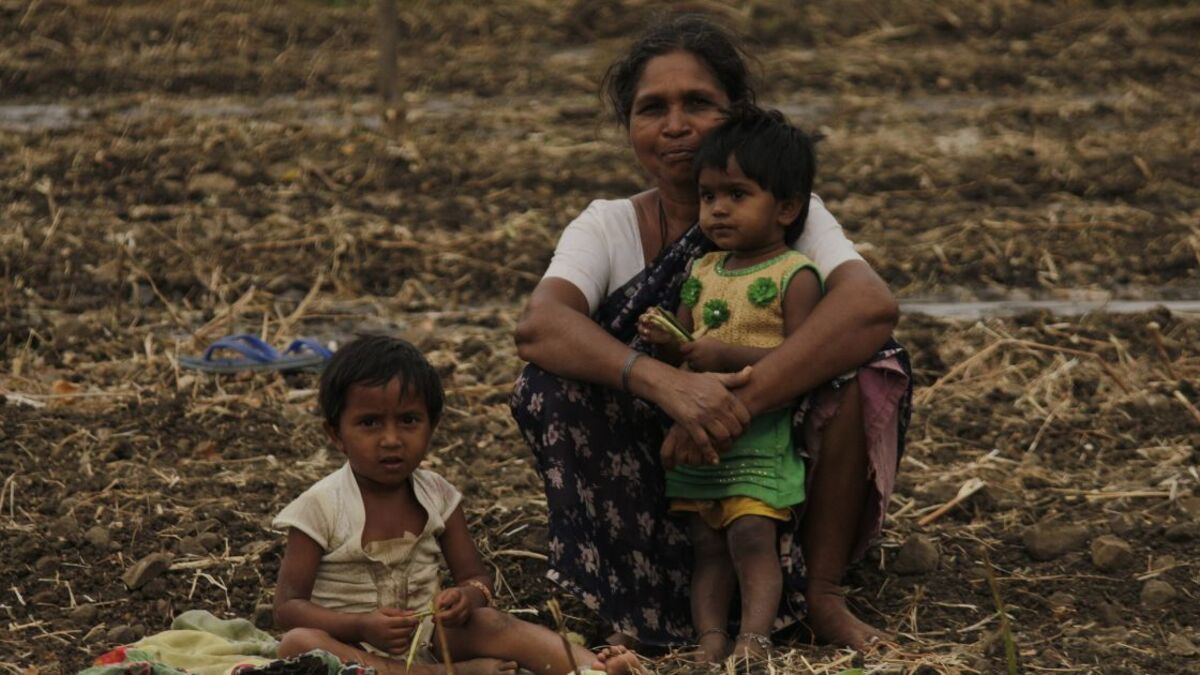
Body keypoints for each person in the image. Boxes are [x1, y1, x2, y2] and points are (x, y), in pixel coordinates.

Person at [511, 14, 912, 652]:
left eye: (697, 103)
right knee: (547, 386)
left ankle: (822, 593)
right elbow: (540, 326)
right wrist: (665, 384)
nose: (675, 125)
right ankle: (633, 597)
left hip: (763, 453)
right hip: (655, 469)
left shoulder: (783, 209)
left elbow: (868, 307)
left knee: (865, 365)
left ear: (736, 114)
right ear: (630, 128)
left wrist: (730, 406)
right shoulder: (608, 226)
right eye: (652, 109)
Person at [271, 335, 640, 675]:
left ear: (432, 426)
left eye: (409, 421)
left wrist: (465, 598)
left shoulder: (439, 497)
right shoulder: (320, 506)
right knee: (299, 644)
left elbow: (476, 580)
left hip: (428, 639)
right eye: (369, 423)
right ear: (336, 434)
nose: (391, 439)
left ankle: (594, 669)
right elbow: (287, 609)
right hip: (350, 649)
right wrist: (361, 625)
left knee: (491, 622)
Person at [635, 105, 822, 661]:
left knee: (750, 537)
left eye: (737, 195)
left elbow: (801, 357)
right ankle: (710, 638)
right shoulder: (703, 271)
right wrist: (666, 340)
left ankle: (754, 639)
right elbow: (690, 344)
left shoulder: (794, 273)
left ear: (786, 207)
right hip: (703, 440)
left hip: (760, 439)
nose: (717, 210)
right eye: (709, 196)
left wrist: (724, 352)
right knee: (706, 545)